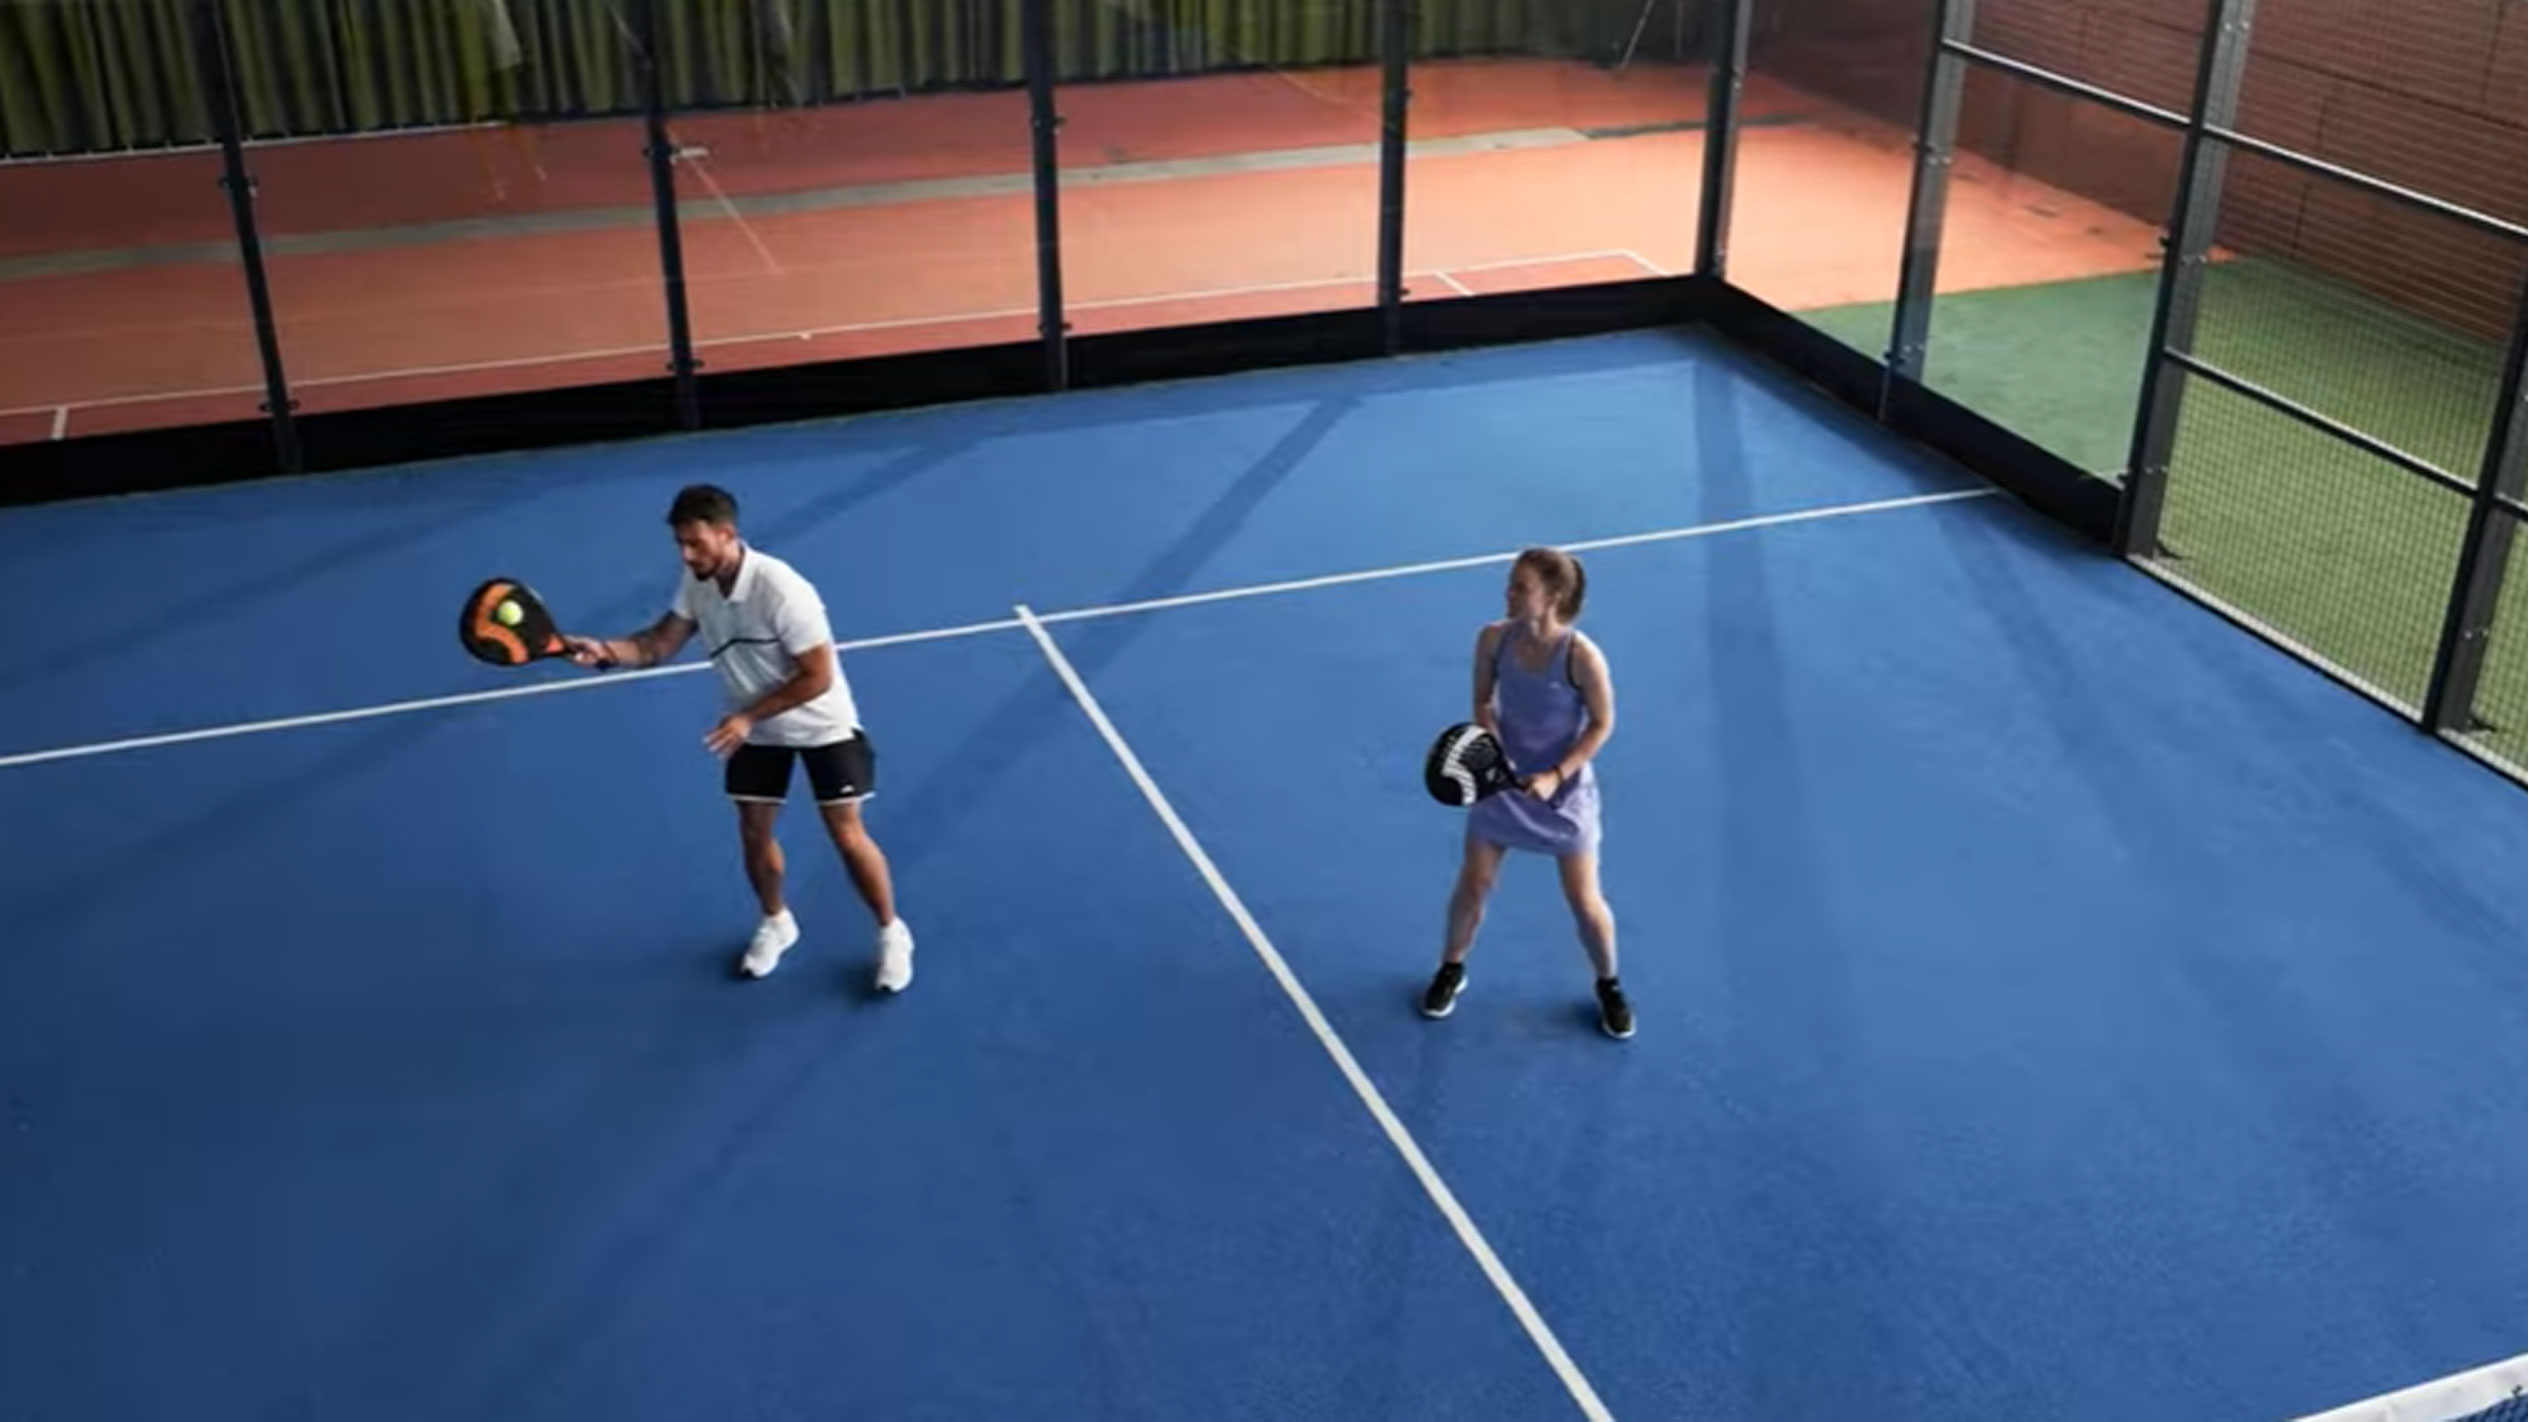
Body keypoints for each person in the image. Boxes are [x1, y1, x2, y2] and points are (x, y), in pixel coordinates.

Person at [563, 484, 915, 994]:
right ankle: (777, 921)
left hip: (820, 723)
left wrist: (748, 717)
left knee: (845, 834)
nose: (687, 555)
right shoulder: (698, 580)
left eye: (696, 544)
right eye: (681, 545)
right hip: (754, 725)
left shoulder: (782, 590)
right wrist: (606, 650)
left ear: (728, 535)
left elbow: (817, 675)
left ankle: (891, 933)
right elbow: (659, 643)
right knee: (754, 830)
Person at [1421, 547, 1630, 1039]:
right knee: (1474, 883)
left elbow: (1602, 724)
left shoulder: (1581, 656)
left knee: (1584, 901)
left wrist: (1557, 774)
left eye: (1520, 587)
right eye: (1509, 584)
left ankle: (1609, 985)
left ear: (1553, 596)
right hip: (1502, 781)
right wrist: (1488, 739)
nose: (1508, 594)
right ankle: (1451, 968)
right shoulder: (1492, 640)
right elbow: (1482, 701)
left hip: (1564, 793)